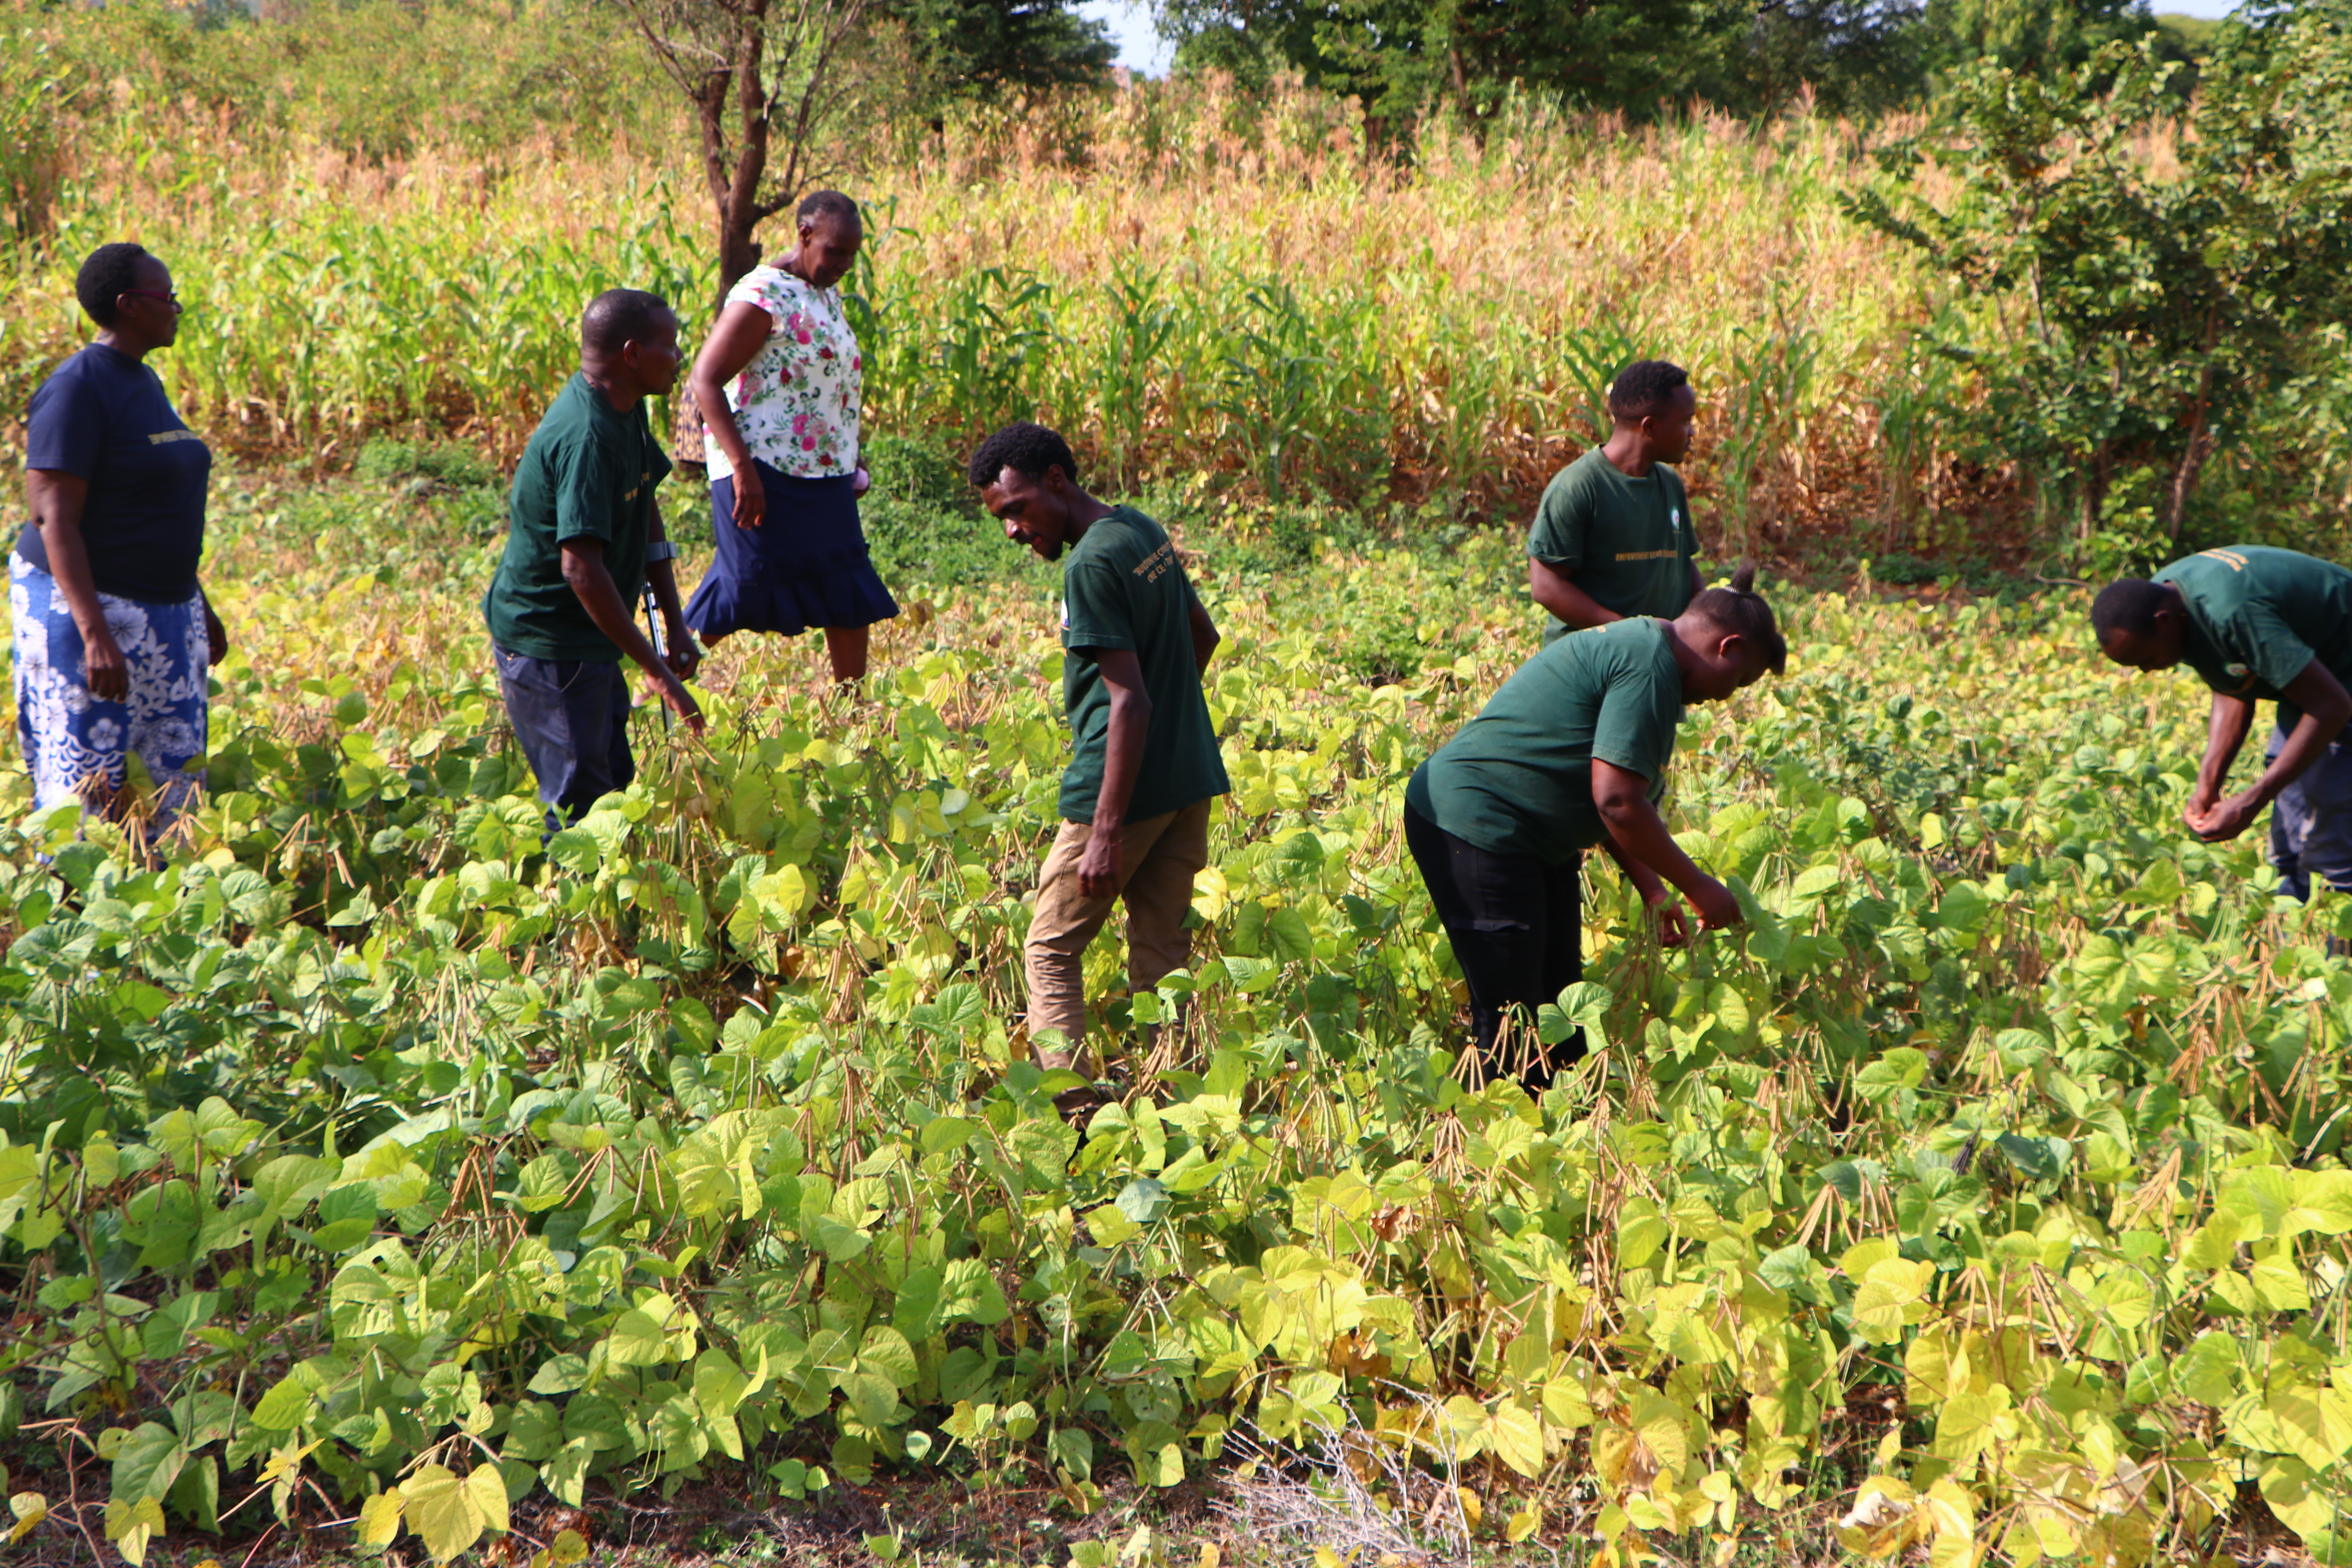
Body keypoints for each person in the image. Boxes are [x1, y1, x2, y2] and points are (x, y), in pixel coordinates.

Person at [1405, 564, 1786, 1090]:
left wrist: (1653, 889)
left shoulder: (1650, 654)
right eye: (1740, 682)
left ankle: (1560, 1139)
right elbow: (1617, 803)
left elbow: (1610, 797)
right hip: (1475, 825)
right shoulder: (1648, 665)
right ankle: (1467, 1158)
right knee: (1512, 1019)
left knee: (1562, 1007)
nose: (1727, 698)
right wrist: (1697, 885)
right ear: (1728, 646)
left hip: (1533, 838)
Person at [968, 421, 1229, 1099]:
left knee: (1049, 950)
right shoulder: (1140, 530)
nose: (1014, 531)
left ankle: (1075, 1113)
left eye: (1018, 508)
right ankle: (1182, 1104)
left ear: (1057, 480)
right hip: (1187, 778)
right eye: (1003, 518)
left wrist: (1107, 831)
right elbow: (1204, 635)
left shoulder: (1089, 565)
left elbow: (1129, 704)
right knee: (1164, 957)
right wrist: (1170, 718)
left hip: (1121, 792)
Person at [13, 241, 228, 836]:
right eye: (169, 298)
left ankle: (162, 907)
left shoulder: (142, 380)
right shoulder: (78, 387)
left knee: (172, 781)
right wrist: (95, 637)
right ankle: (77, 911)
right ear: (131, 305)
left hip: (163, 607)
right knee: (87, 783)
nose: (177, 309)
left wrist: (198, 604)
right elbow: (53, 519)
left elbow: (150, 507)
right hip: (90, 608)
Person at [485, 288, 703, 835]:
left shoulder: (625, 406)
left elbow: (645, 503)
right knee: (581, 810)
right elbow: (580, 570)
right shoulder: (587, 435)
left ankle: (606, 911)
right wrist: (657, 673)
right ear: (632, 354)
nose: (679, 358)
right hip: (552, 644)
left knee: (612, 785)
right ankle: (570, 916)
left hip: (592, 639)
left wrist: (673, 627)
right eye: (669, 346)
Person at [684, 190, 898, 684]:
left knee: (846, 586)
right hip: (762, 471)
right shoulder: (762, 295)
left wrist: (850, 457)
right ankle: (665, 682)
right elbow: (705, 380)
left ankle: (854, 709)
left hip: (824, 474)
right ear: (804, 236)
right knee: (743, 588)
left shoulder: (825, 293)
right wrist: (743, 470)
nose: (844, 263)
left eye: (852, 254)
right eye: (835, 251)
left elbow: (830, 385)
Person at [2091, 546, 2352, 904]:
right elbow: (2232, 687)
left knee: (2333, 845)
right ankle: (2298, 938)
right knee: (2289, 840)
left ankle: (2339, 954)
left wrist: (2251, 800)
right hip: (2316, 673)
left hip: (2340, 674)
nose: (2146, 671)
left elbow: (2332, 706)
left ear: (2164, 620)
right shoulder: (2163, 599)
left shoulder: (2234, 613)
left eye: (2145, 659)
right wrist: (2208, 784)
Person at [1527, 359, 1704, 644]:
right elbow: (1546, 587)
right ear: (1650, 427)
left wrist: (1701, 623)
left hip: (1656, 658)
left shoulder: (1669, 483)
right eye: (1685, 421)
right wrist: (1630, 633)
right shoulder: (1578, 488)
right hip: (1590, 661)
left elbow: (1682, 565)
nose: (1693, 432)